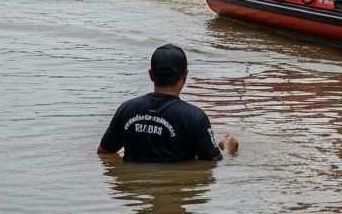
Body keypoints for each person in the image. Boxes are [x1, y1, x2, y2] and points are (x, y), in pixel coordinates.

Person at [98, 44, 238, 163]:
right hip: (174, 191)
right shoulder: (195, 117)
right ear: (185, 75)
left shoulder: (126, 109)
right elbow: (212, 164)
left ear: (151, 75)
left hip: (132, 192)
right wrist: (227, 149)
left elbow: (103, 153)